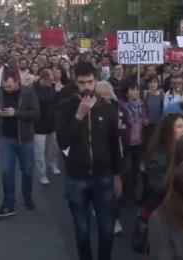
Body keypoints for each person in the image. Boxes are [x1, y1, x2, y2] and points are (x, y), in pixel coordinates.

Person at [55, 61, 122, 260]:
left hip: (103, 177)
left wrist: (117, 174)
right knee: (82, 232)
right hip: (77, 178)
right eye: (82, 82)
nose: (86, 87)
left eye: (90, 82)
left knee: (107, 231)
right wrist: (79, 116)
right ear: (76, 82)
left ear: (96, 81)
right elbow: (62, 141)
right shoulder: (65, 107)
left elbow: (113, 144)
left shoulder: (107, 108)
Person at [0, 70, 40, 218]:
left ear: (17, 81)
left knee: (27, 171)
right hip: (6, 139)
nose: (7, 89)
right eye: (5, 86)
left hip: (25, 139)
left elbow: (36, 114)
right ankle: (9, 204)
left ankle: (27, 198)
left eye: (10, 86)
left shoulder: (28, 92)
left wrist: (16, 113)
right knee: (6, 172)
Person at [141, 114, 183, 221]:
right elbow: (155, 186)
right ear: (168, 130)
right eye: (179, 127)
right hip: (161, 210)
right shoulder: (159, 155)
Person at [119, 81, 147, 200]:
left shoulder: (141, 103)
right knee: (126, 168)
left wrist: (144, 121)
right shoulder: (121, 105)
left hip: (139, 140)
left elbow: (144, 116)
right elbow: (120, 120)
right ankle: (125, 190)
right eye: (132, 89)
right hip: (127, 140)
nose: (136, 91)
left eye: (136, 89)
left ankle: (135, 191)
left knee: (136, 167)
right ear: (126, 92)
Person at [33, 69, 61, 185]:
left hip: (52, 123)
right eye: (49, 81)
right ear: (43, 79)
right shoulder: (35, 88)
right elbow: (43, 101)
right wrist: (55, 91)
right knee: (39, 152)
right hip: (39, 125)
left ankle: (53, 164)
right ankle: (42, 174)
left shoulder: (52, 87)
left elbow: (57, 102)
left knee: (54, 147)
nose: (51, 83)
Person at [143, 75, 164, 146]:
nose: (153, 84)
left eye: (155, 82)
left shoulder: (162, 94)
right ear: (148, 84)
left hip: (158, 123)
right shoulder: (144, 94)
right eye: (151, 82)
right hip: (147, 123)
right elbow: (142, 108)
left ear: (158, 83)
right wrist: (144, 118)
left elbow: (163, 108)